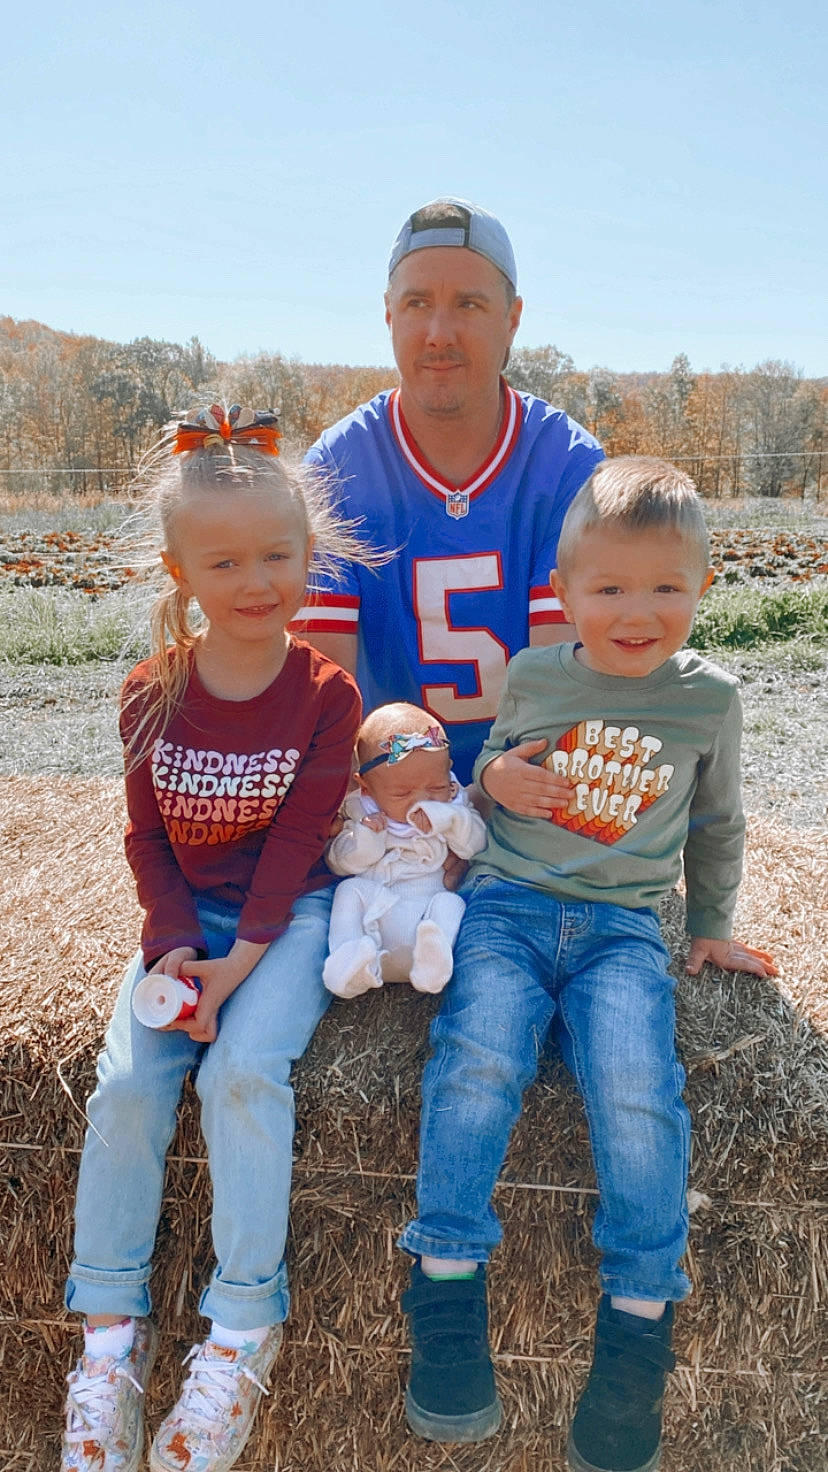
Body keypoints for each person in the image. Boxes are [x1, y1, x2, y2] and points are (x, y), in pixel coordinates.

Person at [396, 457, 777, 1472]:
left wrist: (711, 921)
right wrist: (493, 771)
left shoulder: (710, 699)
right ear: (568, 594)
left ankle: (638, 1323)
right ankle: (443, 1281)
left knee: (638, 1088)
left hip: (619, 926)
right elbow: (497, 763)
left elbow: (719, 820)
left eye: (665, 586)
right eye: (610, 587)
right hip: (510, 907)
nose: (636, 609)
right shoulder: (538, 671)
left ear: (702, 586)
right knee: (477, 1057)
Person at [60, 404, 369, 1472]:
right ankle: (108, 1344)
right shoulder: (153, 690)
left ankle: (240, 1332)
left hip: (291, 916)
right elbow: (146, 837)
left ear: (309, 555)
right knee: (128, 1084)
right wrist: (176, 945)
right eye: (225, 560)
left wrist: (241, 964)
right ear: (178, 568)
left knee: (242, 1069)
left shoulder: (328, 695)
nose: (256, 580)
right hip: (188, 919)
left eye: (277, 555)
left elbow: (297, 845)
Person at [294, 196, 604, 791]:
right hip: (386, 799)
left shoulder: (568, 465)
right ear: (388, 314)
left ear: (512, 318)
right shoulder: (337, 467)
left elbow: (568, 686)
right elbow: (326, 692)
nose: (439, 333)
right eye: (417, 304)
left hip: (530, 781)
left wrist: (491, 801)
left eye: (468, 303)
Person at [323, 702, 487, 999]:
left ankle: (433, 959)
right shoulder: (361, 811)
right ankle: (351, 959)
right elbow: (338, 863)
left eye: (436, 786)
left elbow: (476, 845)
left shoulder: (453, 802)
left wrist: (449, 819)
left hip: (426, 913)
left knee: (453, 904)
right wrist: (367, 838)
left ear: (448, 772)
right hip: (376, 920)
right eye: (401, 793)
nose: (422, 799)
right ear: (366, 787)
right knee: (348, 892)